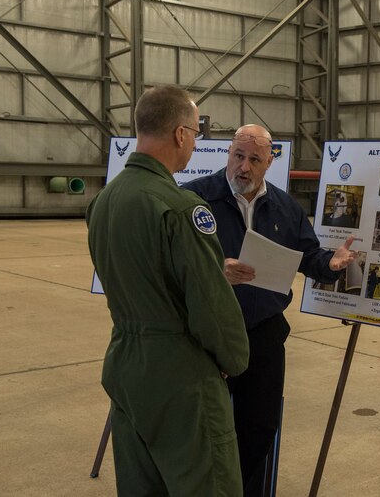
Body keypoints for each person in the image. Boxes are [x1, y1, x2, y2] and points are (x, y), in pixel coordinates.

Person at [86, 86, 250, 496]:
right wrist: (233, 359)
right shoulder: (180, 208)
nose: (195, 144)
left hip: (126, 364)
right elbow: (210, 305)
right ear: (180, 134)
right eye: (196, 133)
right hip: (181, 378)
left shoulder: (105, 201)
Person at [182, 124, 357, 496]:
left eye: (254, 159)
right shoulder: (194, 198)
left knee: (259, 427)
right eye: (238, 156)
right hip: (206, 333)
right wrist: (216, 269)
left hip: (263, 334)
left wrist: (331, 264)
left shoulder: (284, 207)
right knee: (201, 428)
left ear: (269, 162)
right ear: (228, 154)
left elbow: (308, 254)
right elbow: (170, 259)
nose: (243, 167)